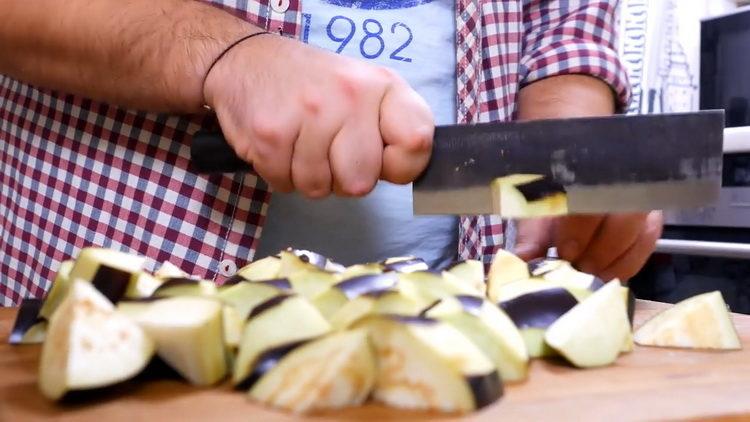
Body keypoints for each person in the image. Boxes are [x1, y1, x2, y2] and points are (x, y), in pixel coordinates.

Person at [0, 0, 662, 306]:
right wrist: (228, 59)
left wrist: (566, 154)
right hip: (130, 311)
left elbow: (567, 19)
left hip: (462, 322)